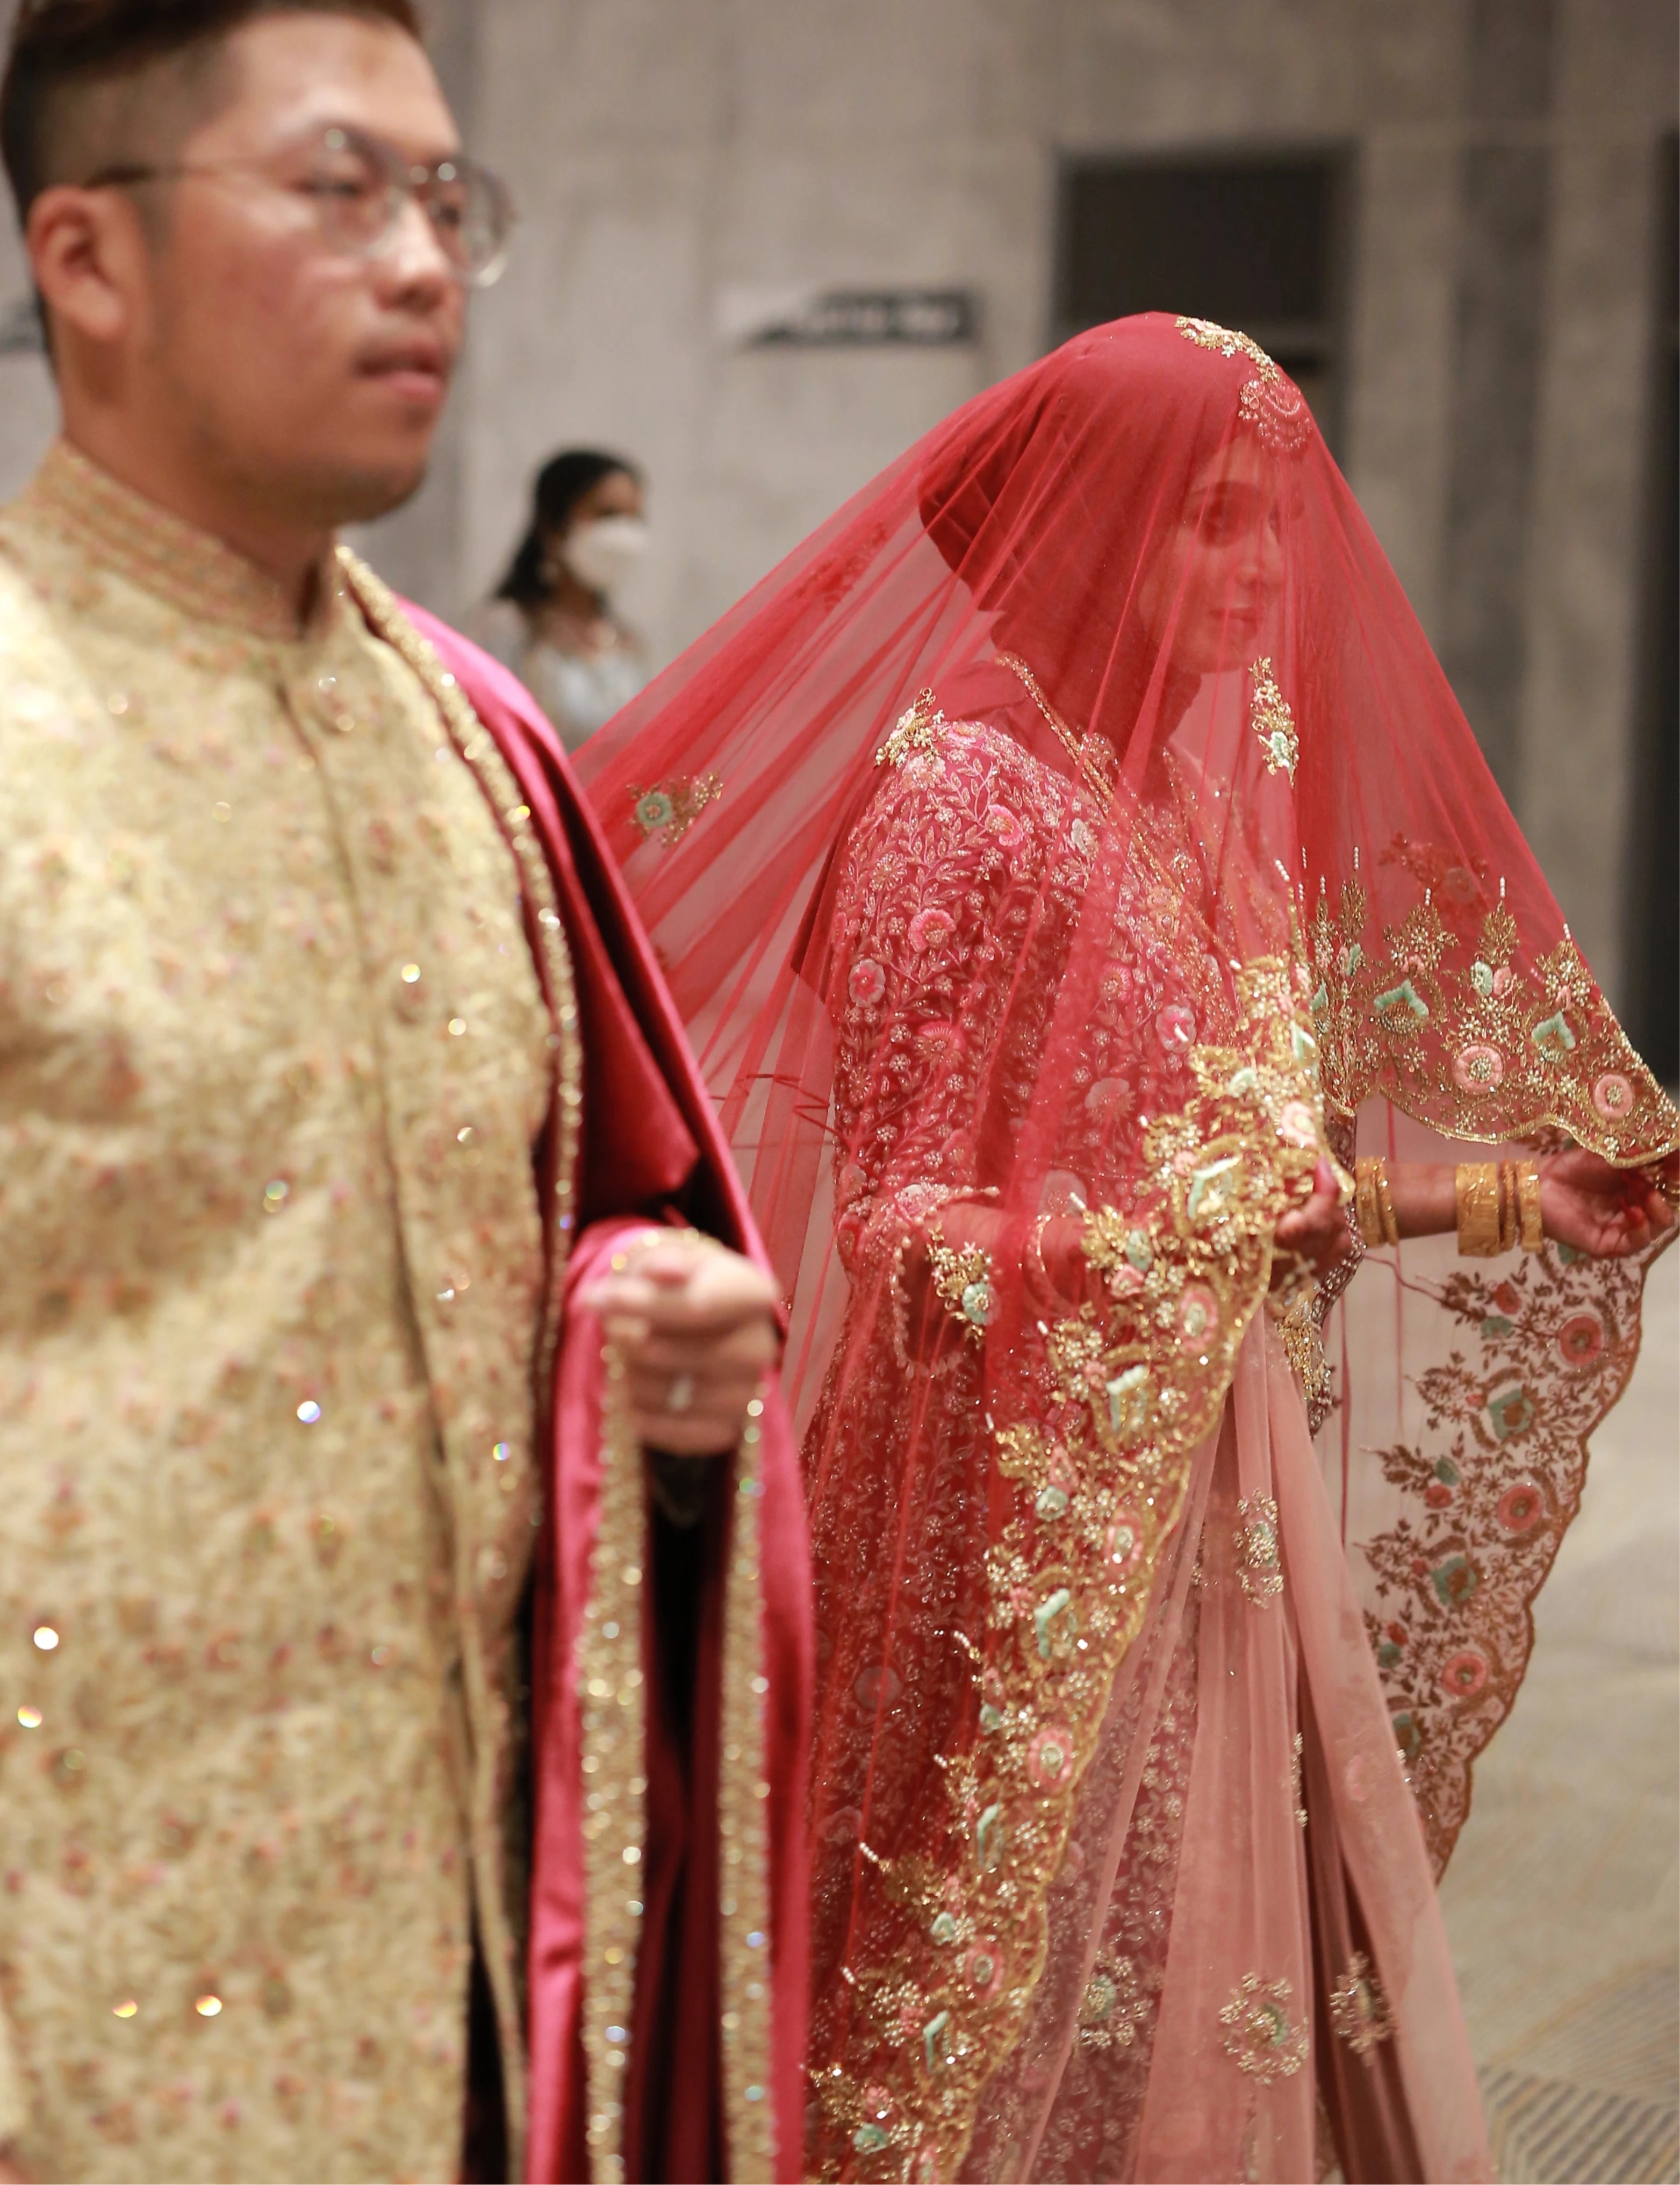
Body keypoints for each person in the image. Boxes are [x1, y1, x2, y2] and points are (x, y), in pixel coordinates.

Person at [577, 313, 1678, 2183]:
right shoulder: (959, 803)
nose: (1262, 573)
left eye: (1272, 522)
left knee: (1200, 1972)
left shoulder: (1162, 795)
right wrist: (1188, 1230)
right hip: (1012, 1529)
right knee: (998, 2013)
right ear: (1085, 532)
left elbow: (1255, 1193)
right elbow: (909, 1239)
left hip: (1193, 1494)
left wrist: (1509, 1196)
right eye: (1212, 523)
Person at [0, 0, 809, 2185]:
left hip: (450, 2006)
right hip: (71, 2036)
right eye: (338, 189)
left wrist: (648, 1359)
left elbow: (513, 1257)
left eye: (449, 198)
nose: (427, 259)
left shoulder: (466, 746)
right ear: (90, 260)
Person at [468, 449, 653, 754]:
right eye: (608, 515)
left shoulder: (629, 643)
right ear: (555, 526)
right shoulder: (506, 627)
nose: (624, 534)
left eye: (635, 518)